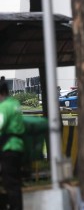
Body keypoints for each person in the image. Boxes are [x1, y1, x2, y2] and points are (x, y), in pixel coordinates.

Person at [0, 78, 25, 210]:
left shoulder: (4, 107)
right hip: (18, 147)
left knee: (10, 184)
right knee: (15, 184)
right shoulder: (15, 103)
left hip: (8, 148)